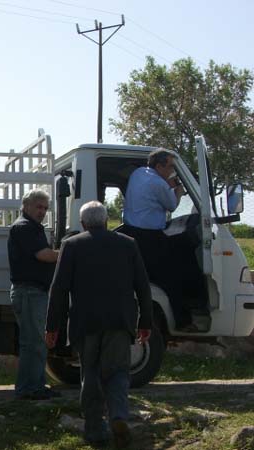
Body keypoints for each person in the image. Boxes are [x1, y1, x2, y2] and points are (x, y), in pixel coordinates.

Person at [46, 201, 152, 448]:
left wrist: (52, 327)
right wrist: (145, 321)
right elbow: (143, 286)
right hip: (119, 321)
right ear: (106, 221)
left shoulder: (72, 245)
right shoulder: (128, 244)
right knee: (118, 372)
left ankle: (95, 430)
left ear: (83, 223)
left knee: (90, 373)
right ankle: (118, 415)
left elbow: (58, 289)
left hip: (86, 322)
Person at [122, 149, 193, 331]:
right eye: (170, 167)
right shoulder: (158, 184)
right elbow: (172, 205)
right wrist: (178, 191)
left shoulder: (138, 173)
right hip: (150, 238)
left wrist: (167, 185)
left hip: (131, 233)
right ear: (160, 166)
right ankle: (183, 321)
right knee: (173, 276)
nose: (172, 171)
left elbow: (151, 191)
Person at [8, 189, 59, 400]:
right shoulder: (24, 227)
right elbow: (44, 255)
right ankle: (29, 389)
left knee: (35, 342)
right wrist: (70, 251)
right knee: (33, 343)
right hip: (29, 292)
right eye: (39, 207)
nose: (42, 212)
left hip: (32, 292)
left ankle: (36, 386)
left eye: (45, 208)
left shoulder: (31, 227)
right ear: (26, 205)